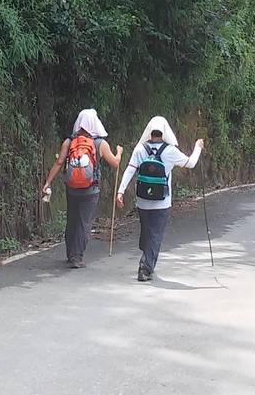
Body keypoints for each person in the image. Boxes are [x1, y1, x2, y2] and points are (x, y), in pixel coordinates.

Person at [116, 116, 204, 281]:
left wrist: (120, 191)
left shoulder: (140, 149)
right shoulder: (170, 151)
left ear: (149, 132)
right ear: (165, 133)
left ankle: (147, 259)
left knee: (147, 233)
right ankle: (145, 268)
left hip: (142, 200)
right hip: (162, 202)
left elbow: (130, 170)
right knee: (155, 235)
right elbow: (191, 163)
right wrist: (197, 147)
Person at [42, 109, 123, 268]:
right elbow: (115, 163)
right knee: (83, 222)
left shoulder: (69, 142)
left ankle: (70, 253)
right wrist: (119, 152)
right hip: (90, 190)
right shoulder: (100, 143)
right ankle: (76, 257)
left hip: (71, 187)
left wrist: (48, 183)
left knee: (72, 219)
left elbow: (59, 163)